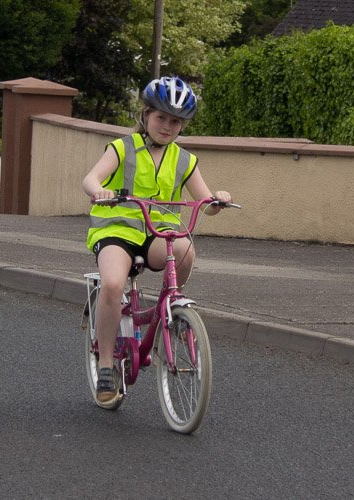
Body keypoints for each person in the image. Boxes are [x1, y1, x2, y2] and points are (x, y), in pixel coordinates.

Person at [82, 76, 232, 407]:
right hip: (118, 229)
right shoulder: (123, 148)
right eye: (161, 117)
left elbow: (206, 203)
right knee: (112, 283)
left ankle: (172, 309)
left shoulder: (184, 160)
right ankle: (106, 365)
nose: (167, 126)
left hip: (158, 233)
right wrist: (99, 190)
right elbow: (90, 178)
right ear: (146, 115)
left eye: (175, 121)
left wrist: (218, 200)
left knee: (186, 250)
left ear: (183, 126)